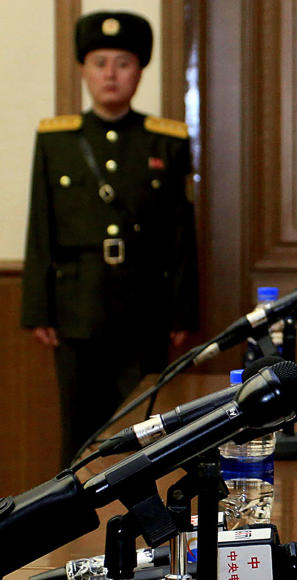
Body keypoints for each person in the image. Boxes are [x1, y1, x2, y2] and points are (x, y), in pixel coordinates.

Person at [20, 11, 199, 469]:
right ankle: (73, 534)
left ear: (139, 72)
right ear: (83, 70)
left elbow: (181, 233)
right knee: (79, 432)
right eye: (100, 62)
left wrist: (183, 310)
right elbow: (41, 225)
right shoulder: (57, 140)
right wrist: (39, 308)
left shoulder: (166, 141)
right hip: (76, 309)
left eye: (123, 63)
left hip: (146, 310)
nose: (110, 74)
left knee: (146, 428)